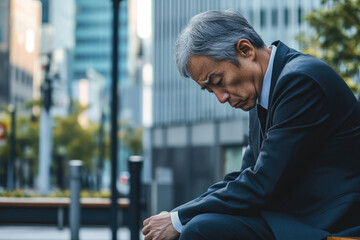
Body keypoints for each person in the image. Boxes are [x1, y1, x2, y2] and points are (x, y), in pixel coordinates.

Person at [142, 10, 360, 240]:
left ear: (245, 50)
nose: (221, 98)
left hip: (328, 223)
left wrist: (178, 219)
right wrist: (177, 215)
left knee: (201, 229)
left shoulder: (300, 81)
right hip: (289, 217)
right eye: (209, 89)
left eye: (218, 82)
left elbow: (262, 182)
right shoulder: (264, 93)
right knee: (198, 225)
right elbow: (245, 175)